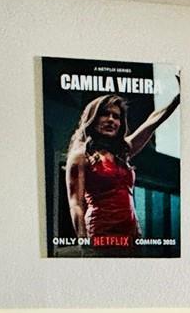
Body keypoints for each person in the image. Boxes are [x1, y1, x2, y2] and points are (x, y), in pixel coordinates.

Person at [65, 90, 180, 243]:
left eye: (116, 116)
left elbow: (151, 123)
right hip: (101, 234)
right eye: (105, 114)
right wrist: (83, 241)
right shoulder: (80, 156)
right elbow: (76, 204)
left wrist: (177, 99)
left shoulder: (122, 151)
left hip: (133, 235)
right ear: (93, 118)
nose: (111, 120)